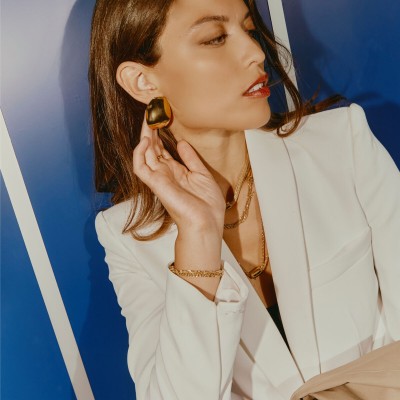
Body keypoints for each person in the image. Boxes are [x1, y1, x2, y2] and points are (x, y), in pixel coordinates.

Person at [89, 0, 400, 399]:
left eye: (249, 30)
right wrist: (198, 238)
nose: (255, 53)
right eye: (215, 38)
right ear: (143, 82)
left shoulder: (341, 144)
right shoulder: (128, 236)